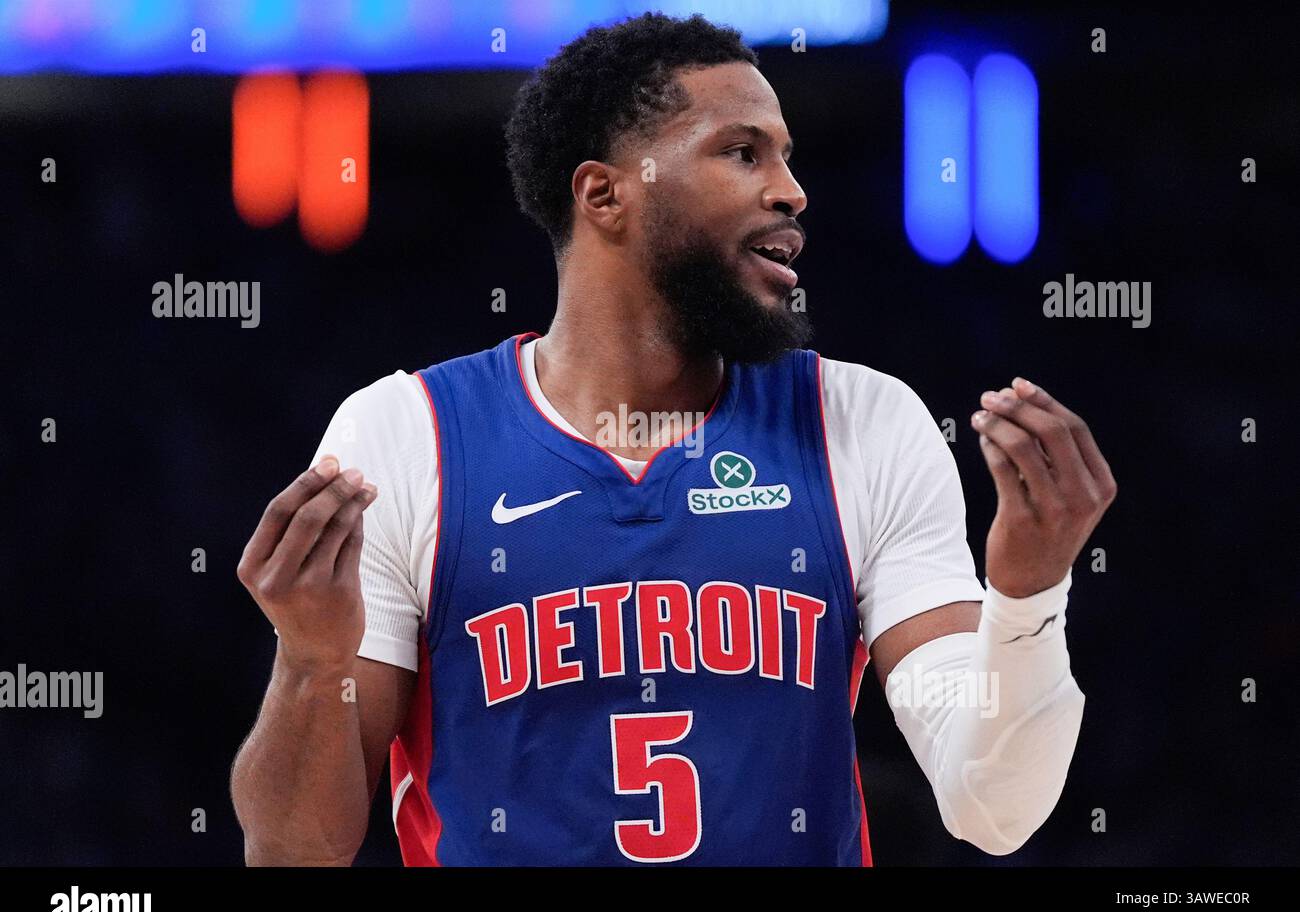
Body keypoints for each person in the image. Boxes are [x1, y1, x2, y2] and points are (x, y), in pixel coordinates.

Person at [230, 12, 1116, 866]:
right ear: (605, 193)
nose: (791, 190)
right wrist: (309, 660)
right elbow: (296, 849)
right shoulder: (404, 435)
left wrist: (1029, 595)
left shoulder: (865, 422)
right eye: (742, 152)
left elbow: (993, 809)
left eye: (786, 156)